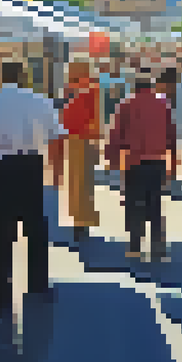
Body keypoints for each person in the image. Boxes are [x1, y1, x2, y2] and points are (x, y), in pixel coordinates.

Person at [0, 61, 65, 322]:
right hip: (29, 166)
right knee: (35, 226)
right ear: (25, 76)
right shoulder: (39, 102)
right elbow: (57, 137)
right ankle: (38, 283)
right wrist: (57, 173)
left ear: (1, 77)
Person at [106, 70, 177, 261]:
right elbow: (172, 135)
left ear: (134, 86)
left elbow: (116, 134)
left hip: (133, 161)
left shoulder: (126, 105)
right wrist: (173, 163)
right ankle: (158, 246)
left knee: (133, 203)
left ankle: (135, 245)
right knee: (154, 203)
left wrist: (111, 159)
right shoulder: (163, 104)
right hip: (157, 160)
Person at [59, 62, 101, 241]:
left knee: (80, 183)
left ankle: (81, 221)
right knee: (80, 183)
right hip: (79, 139)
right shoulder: (84, 90)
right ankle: (80, 220)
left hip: (81, 139)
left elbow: (82, 116)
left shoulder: (88, 90)